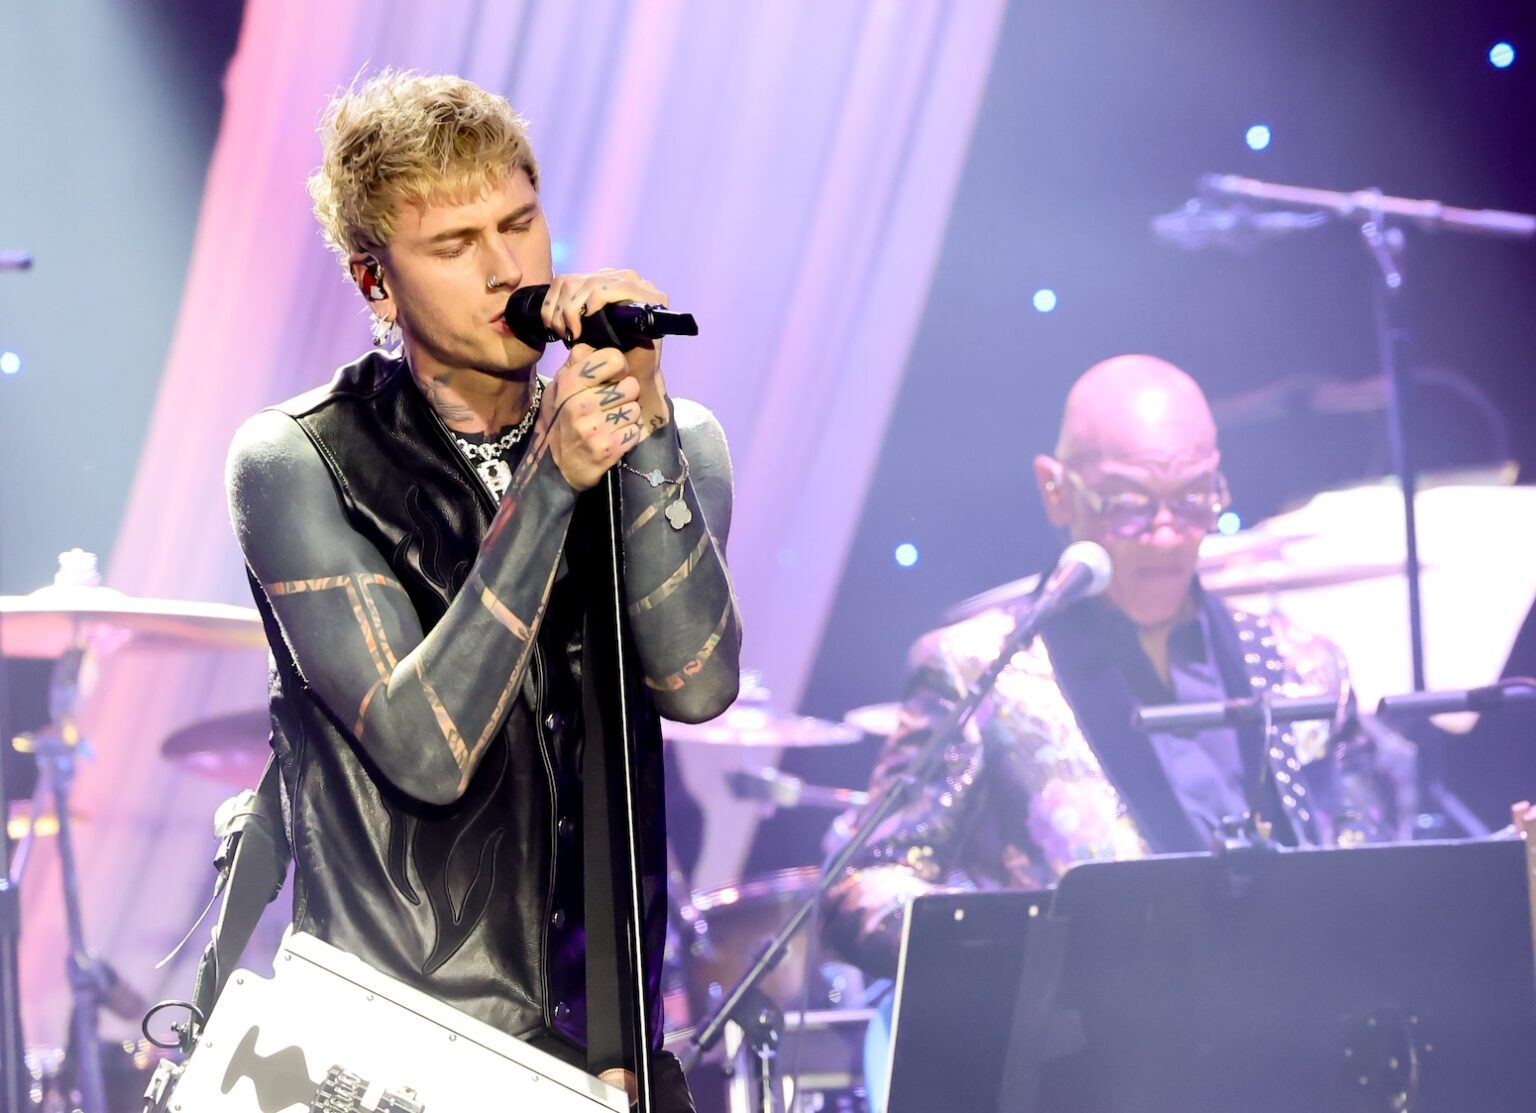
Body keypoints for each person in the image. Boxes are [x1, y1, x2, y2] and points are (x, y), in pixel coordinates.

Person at [225, 71, 741, 1108]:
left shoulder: (667, 440)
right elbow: (424, 749)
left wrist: (641, 438)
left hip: (606, 1052)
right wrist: (549, 485)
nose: (507, 269)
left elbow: (697, 687)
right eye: (455, 247)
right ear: (378, 283)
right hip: (391, 1054)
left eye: (521, 222)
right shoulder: (301, 461)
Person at [823, 354, 1401, 981]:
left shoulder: (1305, 666)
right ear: (1057, 490)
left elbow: (1371, 862)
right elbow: (866, 882)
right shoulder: (979, 669)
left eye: (1193, 499)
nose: (1167, 534)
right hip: (1085, 1057)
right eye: (1129, 503)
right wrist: (1029, 946)